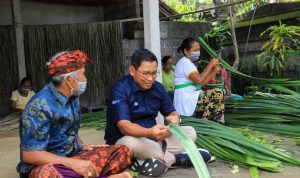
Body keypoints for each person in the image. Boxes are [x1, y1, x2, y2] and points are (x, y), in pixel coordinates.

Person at [17, 50, 132, 178]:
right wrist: (72, 163)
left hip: (72, 156)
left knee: (122, 151)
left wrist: (83, 146)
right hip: (46, 165)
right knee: (47, 174)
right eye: (83, 74)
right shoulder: (39, 106)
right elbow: (29, 155)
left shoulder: (72, 97)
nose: (85, 78)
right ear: (70, 80)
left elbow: (69, 129)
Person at [105, 49, 211, 177]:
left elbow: (172, 112)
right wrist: (149, 132)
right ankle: (174, 159)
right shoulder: (120, 89)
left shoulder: (158, 88)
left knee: (190, 132)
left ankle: (147, 160)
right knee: (129, 143)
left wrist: (175, 119)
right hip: (127, 140)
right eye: (145, 74)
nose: (150, 79)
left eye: (154, 73)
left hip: (154, 140)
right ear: (132, 70)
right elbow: (124, 126)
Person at [174, 37, 225, 124]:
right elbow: (199, 80)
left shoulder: (188, 63)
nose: (198, 52)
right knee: (218, 93)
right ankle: (204, 123)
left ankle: (217, 123)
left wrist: (214, 70)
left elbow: (201, 83)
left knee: (219, 95)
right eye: (195, 50)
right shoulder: (185, 63)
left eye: (199, 50)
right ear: (186, 51)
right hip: (186, 97)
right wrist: (209, 66)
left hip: (190, 95)